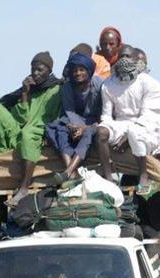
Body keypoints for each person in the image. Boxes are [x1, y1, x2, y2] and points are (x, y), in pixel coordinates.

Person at [94, 45, 160, 187]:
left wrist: (128, 136)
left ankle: (145, 173)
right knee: (101, 132)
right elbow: (107, 116)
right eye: (121, 57)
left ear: (135, 59)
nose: (124, 60)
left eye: (128, 57)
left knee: (136, 133)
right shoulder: (108, 84)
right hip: (120, 125)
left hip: (143, 127)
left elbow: (148, 116)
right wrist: (107, 128)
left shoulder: (148, 83)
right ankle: (108, 177)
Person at [0, 52, 62, 206]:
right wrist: (25, 94)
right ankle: (0, 152)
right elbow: (20, 119)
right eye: (33, 70)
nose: (35, 74)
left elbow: (57, 117)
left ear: (49, 71)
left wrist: (49, 133)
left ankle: (24, 187)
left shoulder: (57, 89)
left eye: (40, 70)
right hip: (20, 130)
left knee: (27, 134)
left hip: (39, 132)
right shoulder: (28, 89)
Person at [45, 52, 103, 183]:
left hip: (94, 121)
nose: (78, 73)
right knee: (58, 128)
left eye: (81, 70)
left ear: (88, 70)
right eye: (75, 70)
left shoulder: (99, 84)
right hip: (74, 121)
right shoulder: (67, 87)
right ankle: (71, 172)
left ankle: (68, 171)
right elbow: (69, 110)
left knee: (89, 133)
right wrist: (75, 127)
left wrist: (84, 128)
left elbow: (104, 112)